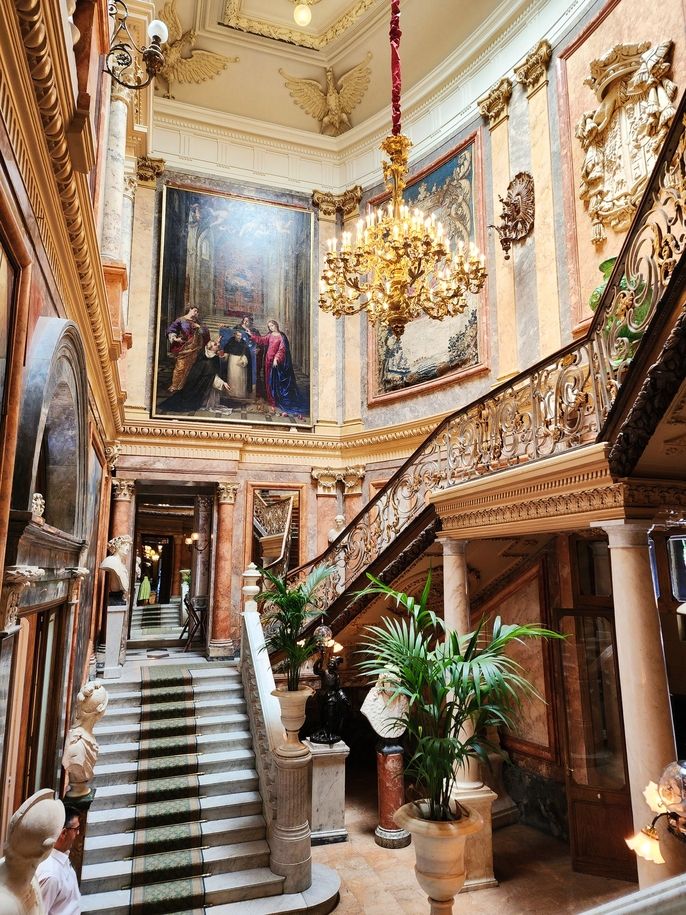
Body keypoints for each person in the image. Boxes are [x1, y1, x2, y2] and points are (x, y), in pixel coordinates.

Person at [158, 340, 233, 415]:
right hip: (196, 385)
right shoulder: (205, 360)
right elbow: (211, 377)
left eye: (216, 344)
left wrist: (222, 382)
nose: (218, 345)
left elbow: (212, 375)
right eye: (215, 344)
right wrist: (223, 383)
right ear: (210, 348)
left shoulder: (214, 357)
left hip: (205, 385)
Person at [250, 320, 307, 416]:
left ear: (276, 325)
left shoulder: (282, 336)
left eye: (272, 325)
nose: (271, 327)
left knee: (274, 381)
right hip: (268, 360)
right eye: (269, 326)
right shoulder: (269, 335)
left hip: (275, 363)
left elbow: (282, 349)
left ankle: (275, 400)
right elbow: (262, 340)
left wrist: (276, 358)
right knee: (268, 380)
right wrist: (251, 335)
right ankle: (270, 399)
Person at [35, 807, 81, 915]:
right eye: (76, 829)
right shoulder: (51, 876)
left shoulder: (62, 858)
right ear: (64, 833)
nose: (78, 833)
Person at [166, 305, 210, 393]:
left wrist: (200, 328)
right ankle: (175, 385)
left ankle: (184, 387)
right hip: (184, 348)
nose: (196, 313)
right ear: (190, 310)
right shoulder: (181, 320)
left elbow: (206, 332)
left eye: (197, 312)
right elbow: (171, 330)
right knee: (180, 367)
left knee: (191, 368)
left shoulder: (198, 322)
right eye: (195, 311)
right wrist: (175, 338)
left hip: (196, 348)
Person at [100, 535, 132, 604]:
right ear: (118, 545)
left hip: (119, 598)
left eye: (128, 546)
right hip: (114, 599)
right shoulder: (110, 561)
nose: (128, 548)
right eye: (125, 545)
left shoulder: (121, 564)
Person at [222, 330, 250, 400]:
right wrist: (225, 355)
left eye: (240, 336)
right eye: (238, 335)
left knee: (240, 377)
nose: (239, 337)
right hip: (232, 360)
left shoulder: (243, 343)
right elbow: (226, 350)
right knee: (232, 376)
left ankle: (240, 393)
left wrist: (243, 358)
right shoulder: (231, 341)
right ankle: (232, 393)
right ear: (235, 335)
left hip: (240, 360)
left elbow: (246, 352)